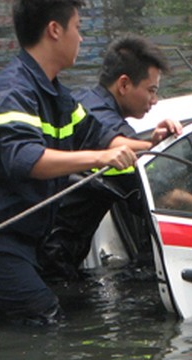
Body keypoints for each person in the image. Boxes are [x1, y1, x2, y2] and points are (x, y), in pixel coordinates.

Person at [0, 0, 137, 326]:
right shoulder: (12, 90)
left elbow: (101, 138)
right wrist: (100, 159)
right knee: (43, 322)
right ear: (54, 30)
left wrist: (158, 141)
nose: (81, 39)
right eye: (77, 28)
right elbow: (25, 160)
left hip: (14, 242)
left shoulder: (56, 95)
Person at [38, 33, 183, 279]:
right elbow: (159, 190)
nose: (155, 100)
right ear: (124, 84)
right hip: (51, 251)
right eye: (151, 90)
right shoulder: (101, 118)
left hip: (47, 240)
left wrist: (151, 143)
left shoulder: (83, 100)